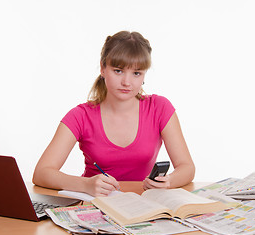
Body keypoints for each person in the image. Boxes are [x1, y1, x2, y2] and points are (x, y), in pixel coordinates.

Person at [32, 31, 195, 197]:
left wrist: (169, 181)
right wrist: (85, 184)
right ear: (103, 68)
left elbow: (187, 167)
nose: (126, 82)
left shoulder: (160, 108)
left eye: (136, 73)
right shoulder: (80, 116)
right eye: (118, 71)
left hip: (143, 204)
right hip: (94, 204)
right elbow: (42, 173)